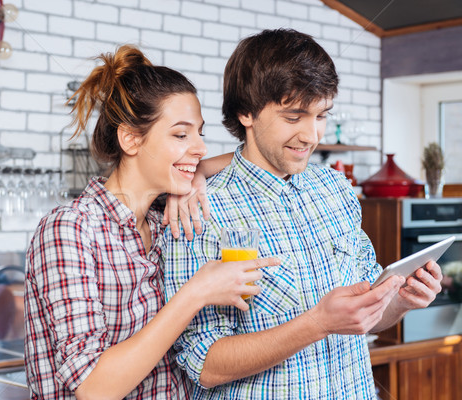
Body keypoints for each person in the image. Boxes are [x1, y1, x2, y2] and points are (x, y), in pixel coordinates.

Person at [162, 29, 443, 399]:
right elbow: (204, 365)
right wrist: (317, 323)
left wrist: (401, 300)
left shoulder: (336, 189)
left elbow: (368, 312)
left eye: (321, 115)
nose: (312, 135)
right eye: (294, 117)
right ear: (246, 112)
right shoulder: (199, 208)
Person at [23, 45, 280, 400]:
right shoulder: (70, 229)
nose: (200, 147)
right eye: (181, 134)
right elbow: (94, 388)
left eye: (200, 133)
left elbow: (249, 160)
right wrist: (197, 293)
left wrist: (197, 171)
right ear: (130, 138)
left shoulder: (166, 223)